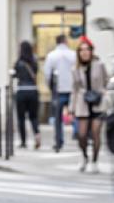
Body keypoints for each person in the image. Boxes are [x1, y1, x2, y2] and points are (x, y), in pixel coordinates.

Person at [69, 37, 108, 173]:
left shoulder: (100, 65)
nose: (84, 53)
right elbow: (74, 89)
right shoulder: (75, 68)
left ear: (91, 51)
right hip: (82, 103)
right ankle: (85, 157)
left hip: (98, 103)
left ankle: (95, 161)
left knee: (96, 133)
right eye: (81, 50)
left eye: (87, 50)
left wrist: (104, 94)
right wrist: (71, 108)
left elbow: (106, 81)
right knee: (82, 135)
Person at [44, 34, 76, 152]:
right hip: (72, 89)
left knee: (58, 118)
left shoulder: (52, 56)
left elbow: (47, 74)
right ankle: (78, 133)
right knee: (76, 113)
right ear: (65, 41)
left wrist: (50, 86)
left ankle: (59, 141)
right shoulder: (73, 54)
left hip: (58, 89)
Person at [12, 40, 40, 150]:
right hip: (33, 91)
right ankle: (37, 135)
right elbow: (36, 73)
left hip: (21, 91)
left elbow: (15, 74)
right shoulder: (34, 62)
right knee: (34, 117)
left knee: (21, 118)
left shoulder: (19, 62)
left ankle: (23, 141)